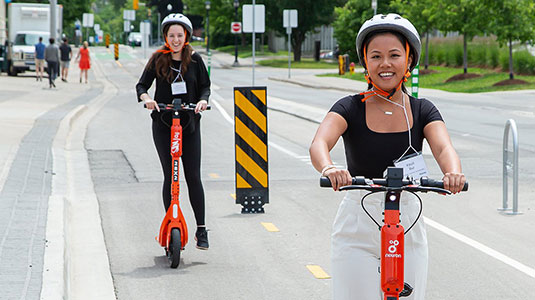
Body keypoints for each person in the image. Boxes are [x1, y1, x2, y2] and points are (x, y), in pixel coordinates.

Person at [309, 14, 466, 300]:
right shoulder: (350, 107)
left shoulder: (422, 110)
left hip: (407, 217)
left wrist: (452, 172)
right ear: (365, 63)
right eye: (376, 56)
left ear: (408, 60)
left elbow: (444, 148)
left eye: (394, 55)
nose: (385, 63)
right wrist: (329, 167)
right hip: (358, 217)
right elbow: (320, 142)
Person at [136, 14, 211, 250]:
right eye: (171, 35)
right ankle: (170, 220)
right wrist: (147, 98)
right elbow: (141, 86)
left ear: (186, 36)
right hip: (163, 123)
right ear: (166, 37)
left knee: (192, 176)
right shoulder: (158, 58)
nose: (176, 39)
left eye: (180, 35)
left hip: (189, 124)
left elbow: (205, 87)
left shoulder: (196, 60)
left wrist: (202, 101)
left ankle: (201, 229)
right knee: (170, 176)